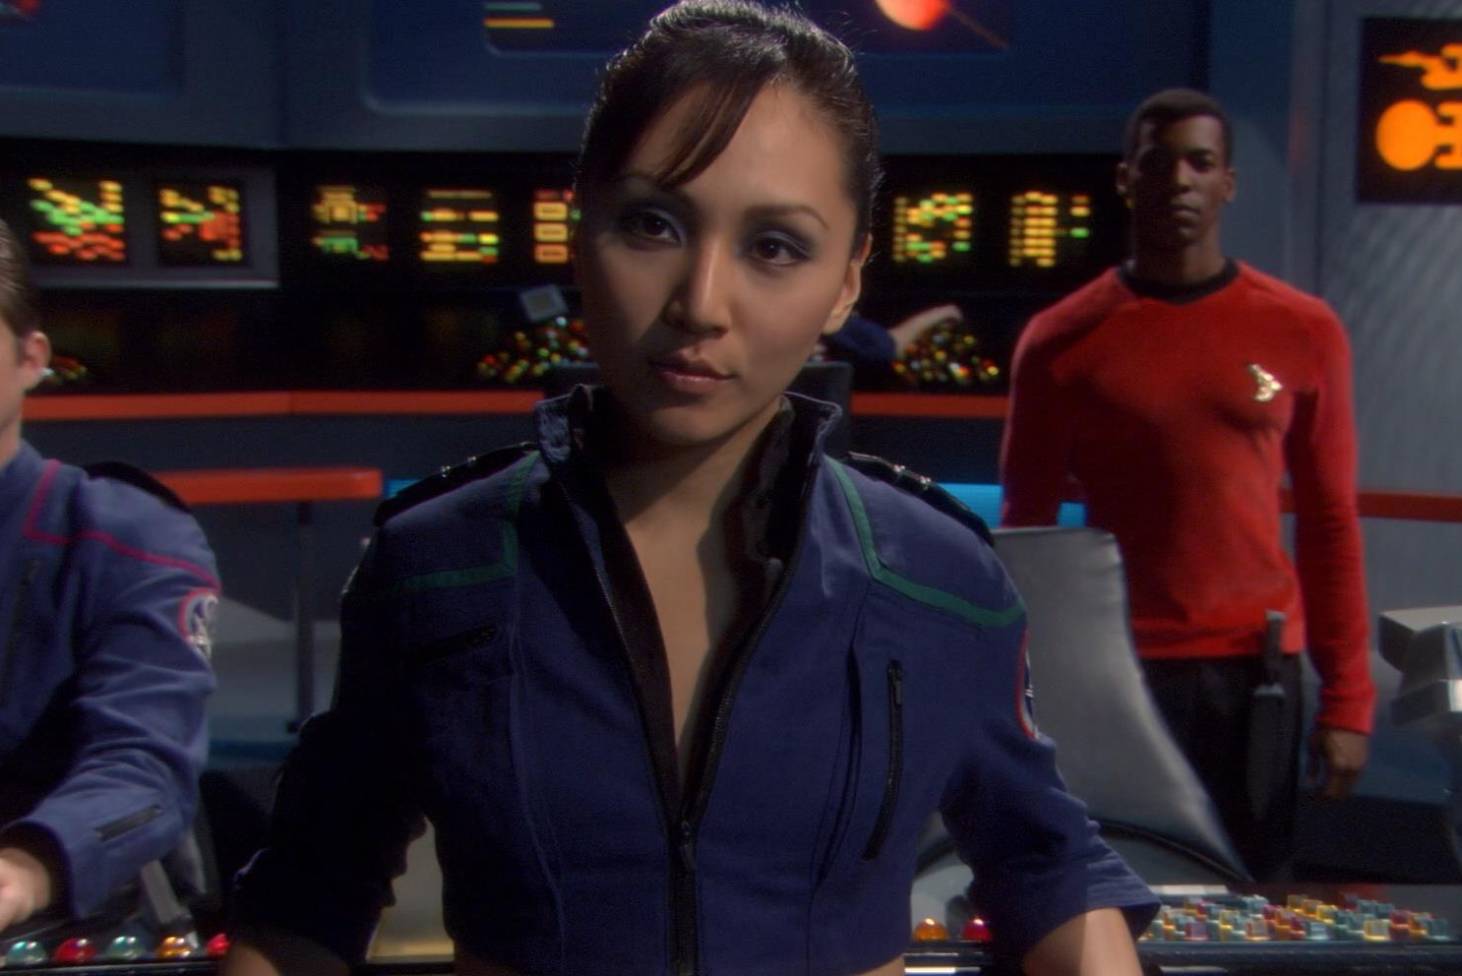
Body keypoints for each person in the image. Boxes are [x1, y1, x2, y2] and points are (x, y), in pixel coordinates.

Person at [224, 4, 1157, 974]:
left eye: (775, 246)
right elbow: (309, 891)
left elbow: (1049, 866)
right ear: (578, 230)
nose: (701, 304)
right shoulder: (434, 568)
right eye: (651, 224)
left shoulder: (938, 577)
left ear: (846, 282)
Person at [1000, 88, 1374, 880]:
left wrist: (1348, 699)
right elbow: (1024, 536)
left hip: (1255, 673)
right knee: (1117, 890)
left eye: (1200, 163)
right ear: (1126, 180)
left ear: (1228, 183)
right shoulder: (1061, 341)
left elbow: (1331, 522)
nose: (1179, 181)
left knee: (1249, 896)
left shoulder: (1302, 330)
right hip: (1113, 668)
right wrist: (1014, 691)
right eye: (1157, 163)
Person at [0, 218, 219, 932]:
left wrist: (24, 872)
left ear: (31, 358)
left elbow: (145, 768)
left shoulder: (123, 535)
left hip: (61, 910)